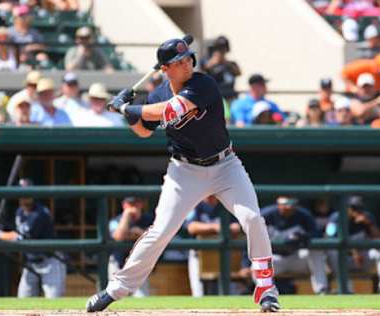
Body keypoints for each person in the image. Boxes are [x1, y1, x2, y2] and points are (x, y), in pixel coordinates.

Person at [86, 36, 280, 312]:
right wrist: (127, 115)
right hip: (184, 170)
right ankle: (116, 289)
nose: (187, 63)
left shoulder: (203, 84)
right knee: (161, 230)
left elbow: (172, 109)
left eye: (187, 58)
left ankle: (266, 289)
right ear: (165, 69)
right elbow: (143, 131)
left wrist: (129, 108)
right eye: (178, 61)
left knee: (252, 218)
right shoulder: (156, 95)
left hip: (226, 166)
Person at [0, 178, 67, 297]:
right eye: (21, 193)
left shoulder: (40, 213)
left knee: (54, 302)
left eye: (27, 192)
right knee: (23, 299)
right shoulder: (19, 212)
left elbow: (21, 236)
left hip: (49, 260)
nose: (24, 196)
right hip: (31, 262)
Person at [241, 196, 328, 295]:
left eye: (291, 205)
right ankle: (268, 293)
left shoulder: (303, 215)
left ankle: (321, 290)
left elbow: (317, 234)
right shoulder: (266, 215)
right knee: (256, 266)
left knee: (315, 251)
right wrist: (245, 265)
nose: (288, 208)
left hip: (296, 257)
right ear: (278, 204)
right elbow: (251, 238)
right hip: (274, 259)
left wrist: (304, 236)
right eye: (284, 205)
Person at [326, 196, 380, 295]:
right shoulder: (336, 218)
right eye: (353, 208)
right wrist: (354, 252)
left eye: (358, 208)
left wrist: (369, 224)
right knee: (333, 252)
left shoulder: (367, 217)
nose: (356, 211)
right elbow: (328, 239)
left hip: (363, 258)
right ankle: (347, 290)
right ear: (346, 207)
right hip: (343, 260)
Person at [184, 195, 242, 297]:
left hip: (223, 254)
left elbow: (237, 227)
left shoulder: (226, 205)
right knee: (198, 293)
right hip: (199, 254)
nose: (210, 196)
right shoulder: (196, 205)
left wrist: (226, 228)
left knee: (230, 292)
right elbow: (191, 227)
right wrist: (215, 227)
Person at [108, 197, 153, 297]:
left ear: (141, 204)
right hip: (118, 263)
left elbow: (154, 238)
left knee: (142, 298)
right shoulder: (116, 220)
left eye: (135, 204)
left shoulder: (149, 219)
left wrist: (137, 232)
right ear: (124, 205)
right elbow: (118, 236)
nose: (133, 207)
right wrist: (126, 216)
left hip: (139, 265)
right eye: (129, 204)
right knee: (113, 298)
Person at [200, 35, 241, 102]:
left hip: (230, 97)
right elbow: (203, 67)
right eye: (219, 48)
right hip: (215, 97)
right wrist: (214, 61)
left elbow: (238, 72)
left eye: (223, 48)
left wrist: (226, 63)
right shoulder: (208, 61)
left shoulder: (231, 64)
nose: (222, 50)